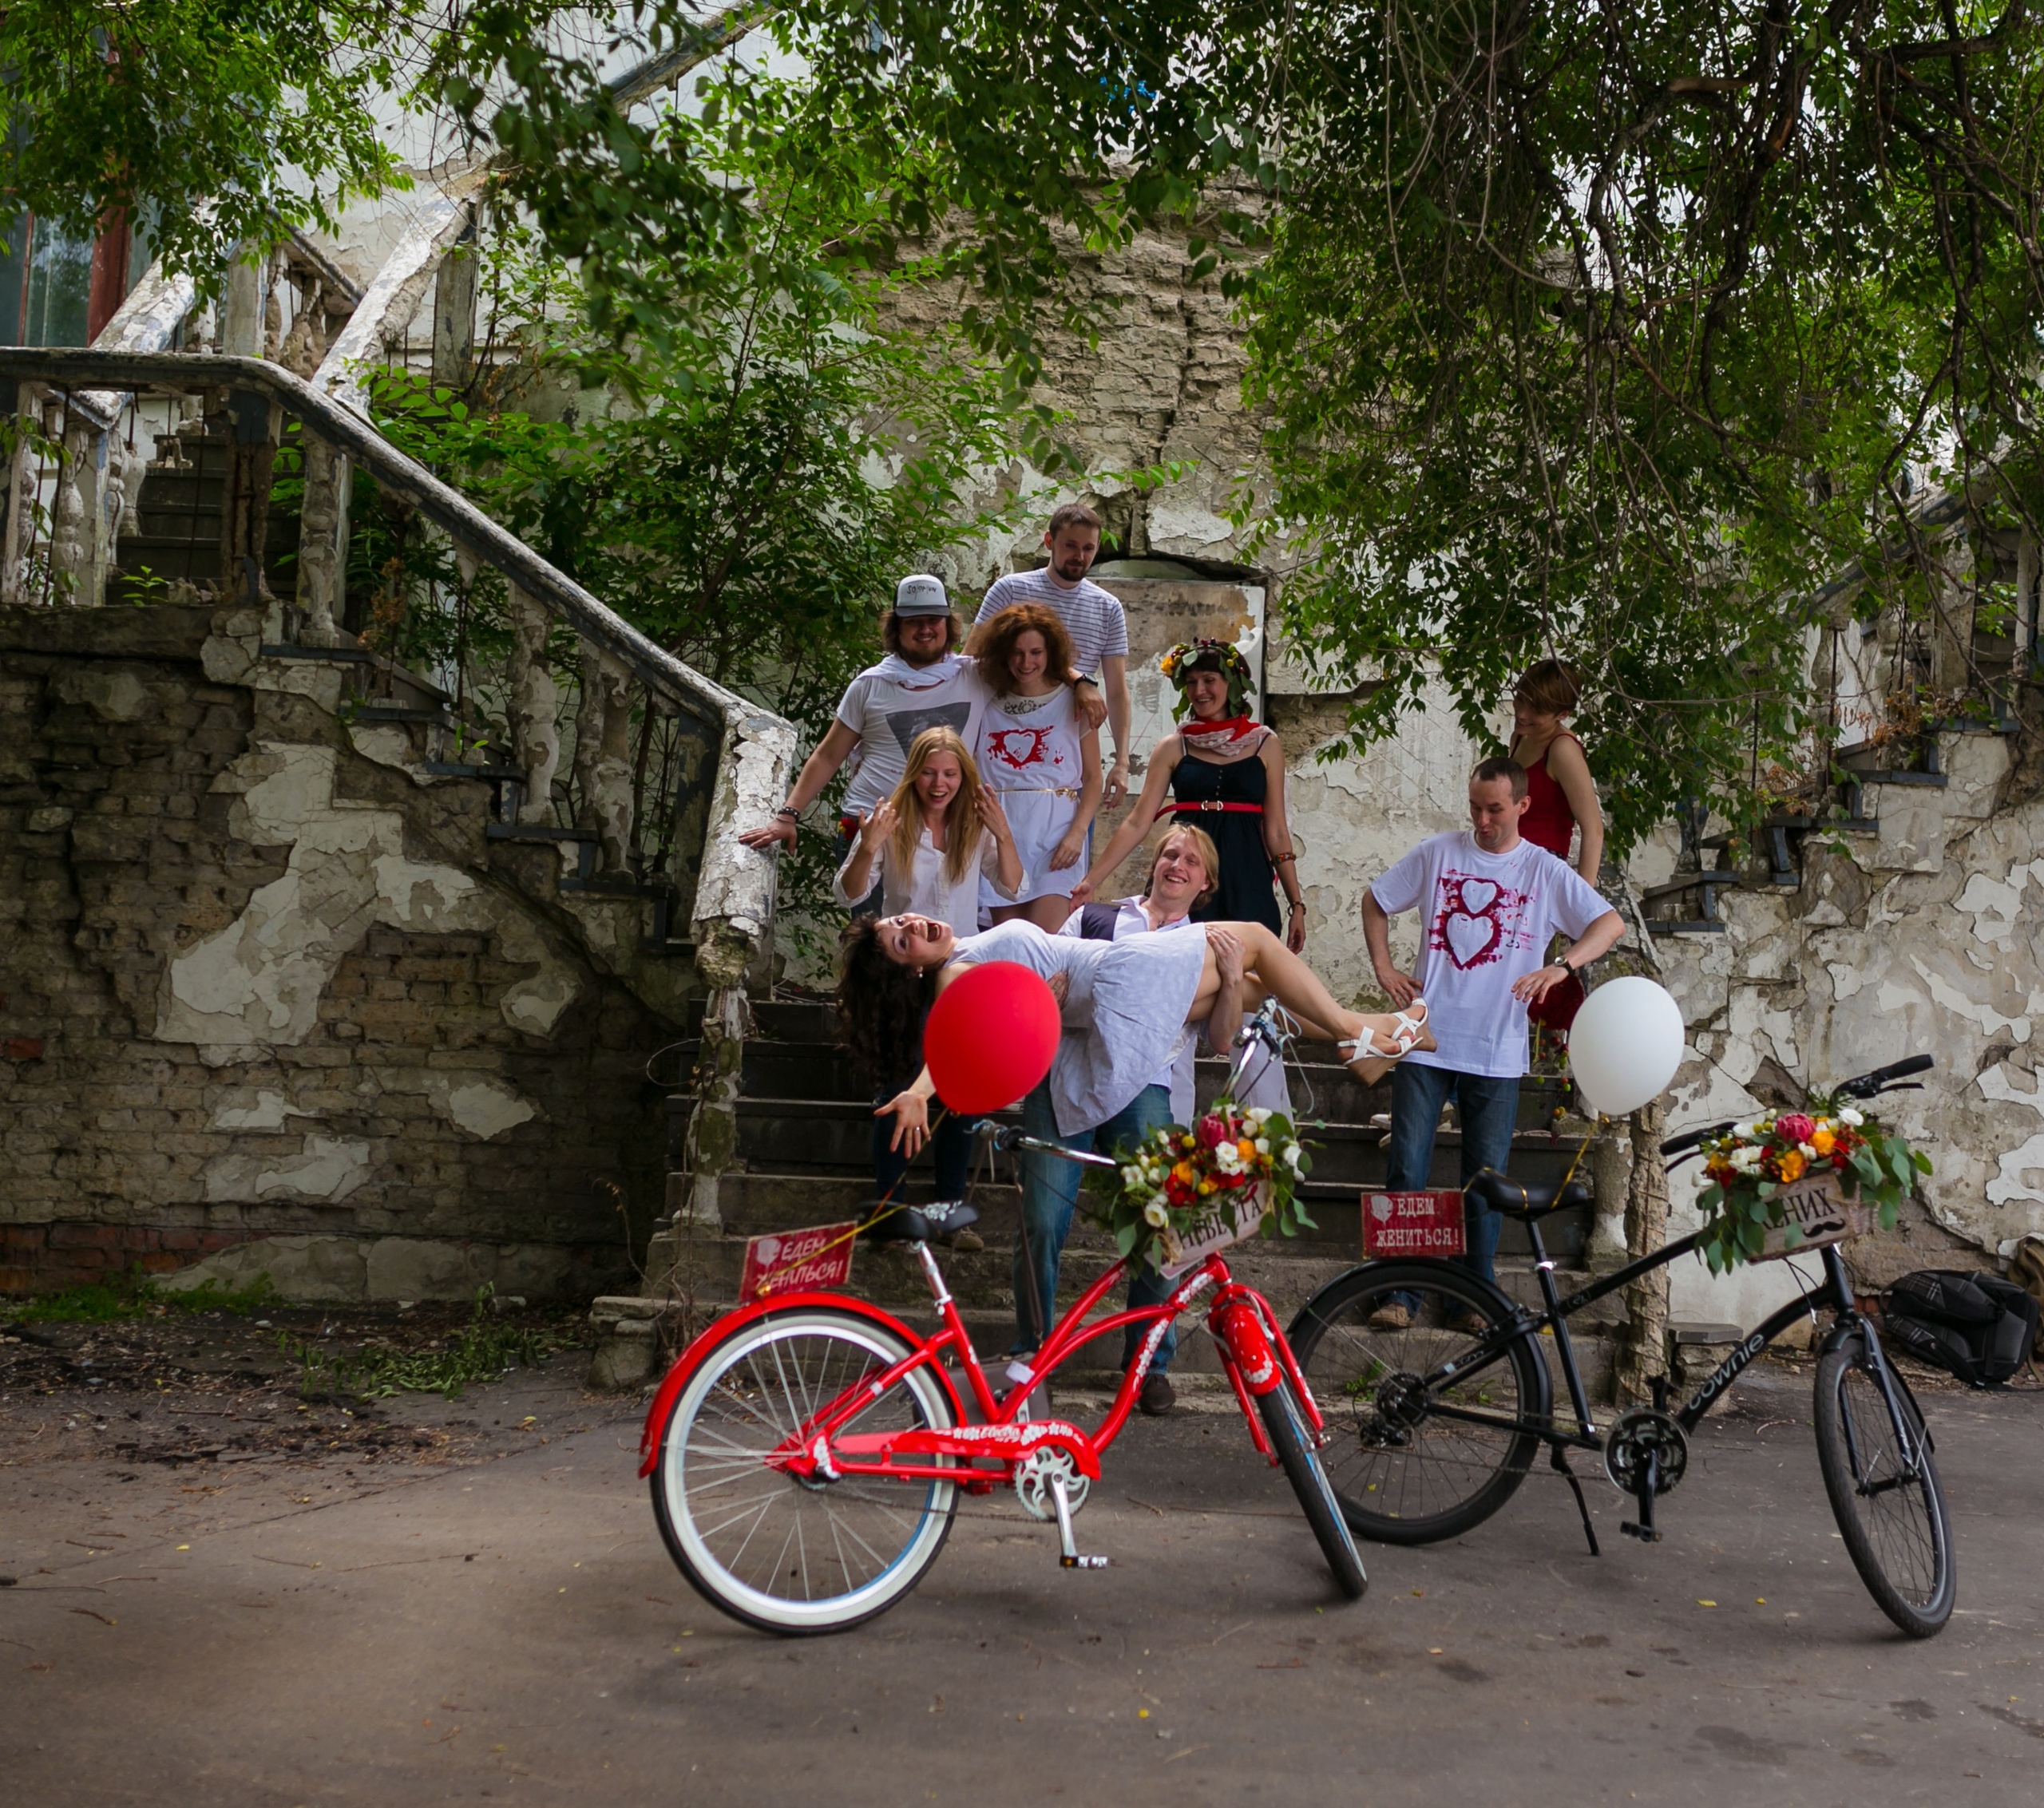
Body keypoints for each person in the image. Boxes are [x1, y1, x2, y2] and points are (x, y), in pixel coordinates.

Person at [1361, 757, 1626, 1330]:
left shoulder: (1544, 870)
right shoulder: (1438, 853)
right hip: (1425, 1039)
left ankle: (1468, 1299)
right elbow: (1376, 899)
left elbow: (1608, 924)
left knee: (1484, 1181)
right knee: (1407, 1168)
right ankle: (1397, 1293)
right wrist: (1384, 968)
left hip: (1497, 1048)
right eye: (1475, 807)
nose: (1482, 819)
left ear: (1523, 806)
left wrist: (1563, 965)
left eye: (1495, 809)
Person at [1010, 825, 1240, 1417]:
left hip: (1149, 1086)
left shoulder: (1207, 944)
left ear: (1206, 882)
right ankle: (1029, 1355)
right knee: (1041, 1219)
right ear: (1153, 864)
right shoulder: (1096, 919)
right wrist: (1048, 994)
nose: (1177, 864)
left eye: (1191, 860)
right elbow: (1043, 978)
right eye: (1170, 853)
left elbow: (1219, 1041)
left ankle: (1148, 1364)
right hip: (1066, 1075)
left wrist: (1235, 980)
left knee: (1165, 1223)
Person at [740, 574, 1105, 908]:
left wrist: (1082, 681)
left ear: (948, 626)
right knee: (873, 944)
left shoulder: (975, 675)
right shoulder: (870, 685)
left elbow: (1032, 661)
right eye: (914, 622)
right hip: (873, 823)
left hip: (941, 830)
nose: (926, 630)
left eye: (934, 621)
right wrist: (787, 815)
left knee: (935, 941)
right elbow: (828, 754)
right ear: (897, 629)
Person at [1074, 638, 1305, 949]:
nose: (1199, 691)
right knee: (1181, 959)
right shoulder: (1173, 746)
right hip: (1186, 874)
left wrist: (1296, 905)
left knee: (1249, 970)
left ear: (1232, 684)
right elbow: (1137, 822)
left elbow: (1276, 830)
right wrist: (1091, 882)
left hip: (1247, 874)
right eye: (1192, 682)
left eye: (1209, 680)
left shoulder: (1266, 745)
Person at [974, 504, 1133, 810]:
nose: (1080, 556)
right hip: (1003, 751)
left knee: (1067, 847)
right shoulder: (1010, 589)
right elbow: (973, 661)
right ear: (1049, 542)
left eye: (1089, 548)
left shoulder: (1108, 607)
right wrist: (1078, 679)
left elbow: (1116, 691)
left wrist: (1122, 761)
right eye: (1070, 545)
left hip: (1069, 753)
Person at [968, 603, 1103, 932]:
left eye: (1036, 652)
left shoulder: (1075, 700)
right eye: (1016, 653)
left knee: (1048, 944)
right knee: (1008, 944)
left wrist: (1077, 833)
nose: (1026, 663)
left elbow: (1093, 777)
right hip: (1001, 832)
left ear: (1051, 651)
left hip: (1057, 835)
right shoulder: (982, 698)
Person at [832, 726, 1023, 932]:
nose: (938, 783)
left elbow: (1013, 889)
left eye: (950, 774)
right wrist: (867, 849)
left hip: (960, 953)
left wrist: (1003, 834)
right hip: (905, 953)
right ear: (913, 774)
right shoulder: (887, 820)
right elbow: (848, 896)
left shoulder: (976, 820)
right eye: (928, 773)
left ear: (963, 777)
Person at [1507, 659, 1604, 1036]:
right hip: (1508, 866)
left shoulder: (1563, 750)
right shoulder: (1520, 737)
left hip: (1542, 878)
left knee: (1534, 984)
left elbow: (1593, 830)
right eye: (1521, 700)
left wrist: (1581, 903)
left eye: (1537, 710)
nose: (1523, 713)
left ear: (1563, 713)